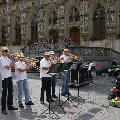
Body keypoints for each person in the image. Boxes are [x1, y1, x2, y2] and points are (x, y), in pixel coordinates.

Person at [0, 47, 18, 114]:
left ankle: (10, 105)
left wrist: (15, 59)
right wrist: (14, 61)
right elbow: (8, 67)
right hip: (4, 77)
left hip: (9, 76)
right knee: (4, 93)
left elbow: (13, 65)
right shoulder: (1, 59)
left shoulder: (7, 58)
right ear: (2, 52)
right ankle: (3, 108)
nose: (7, 52)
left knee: (10, 92)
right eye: (6, 51)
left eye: (7, 51)